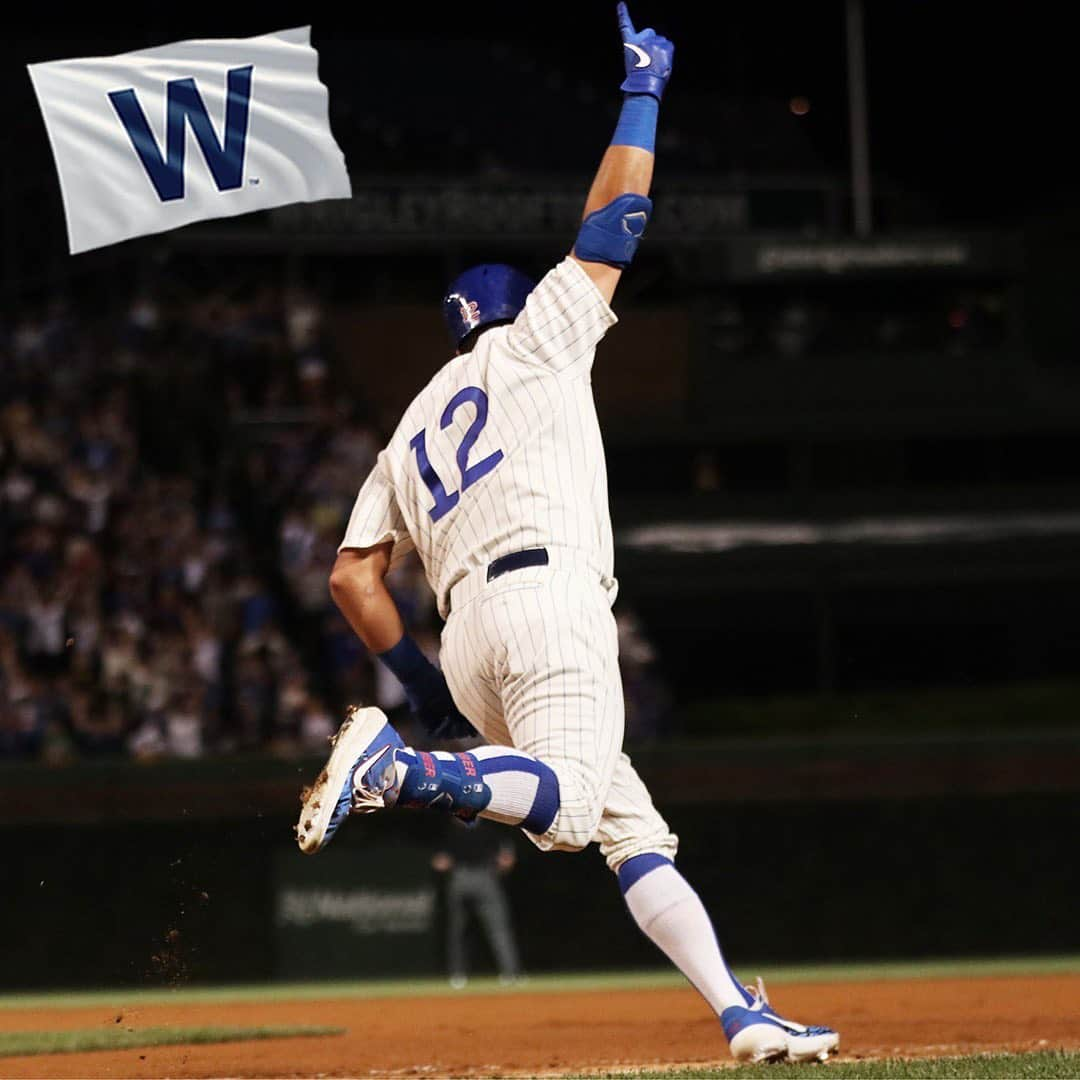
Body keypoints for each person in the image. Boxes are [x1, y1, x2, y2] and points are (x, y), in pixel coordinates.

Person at [297, 4, 838, 1065]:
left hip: (470, 640)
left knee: (630, 827)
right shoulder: (537, 343)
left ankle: (740, 1012)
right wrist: (642, 89)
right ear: (509, 308)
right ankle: (403, 775)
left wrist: (422, 678)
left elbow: (352, 578)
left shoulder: (409, 424)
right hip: (550, 607)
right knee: (575, 806)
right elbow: (616, 223)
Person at [432, 817, 522, 989]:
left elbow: (506, 856)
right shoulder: (454, 832)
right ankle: (460, 974)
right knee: (460, 930)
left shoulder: (487, 829)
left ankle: (508, 972)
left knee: (494, 929)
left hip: (477, 876)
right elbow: (440, 861)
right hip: (468, 877)